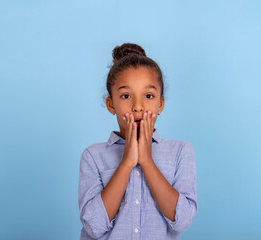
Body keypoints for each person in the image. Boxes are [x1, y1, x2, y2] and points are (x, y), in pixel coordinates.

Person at [78, 43, 198, 239]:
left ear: (160, 104)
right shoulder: (93, 156)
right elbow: (94, 227)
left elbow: (182, 221)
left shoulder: (181, 152)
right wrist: (126, 162)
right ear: (111, 105)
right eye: (126, 96)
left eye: (148, 96)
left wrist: (147, 161)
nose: (137, 107)